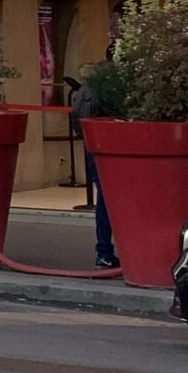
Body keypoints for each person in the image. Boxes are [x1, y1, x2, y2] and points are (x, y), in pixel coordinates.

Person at [67, 65, 120, 272]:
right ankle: (107, 253)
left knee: (103, 200)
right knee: (110, 200)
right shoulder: (112, 87)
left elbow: (76, 119)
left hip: (92, 146)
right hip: (110, 148)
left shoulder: (86, 88)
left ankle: (104, 253)